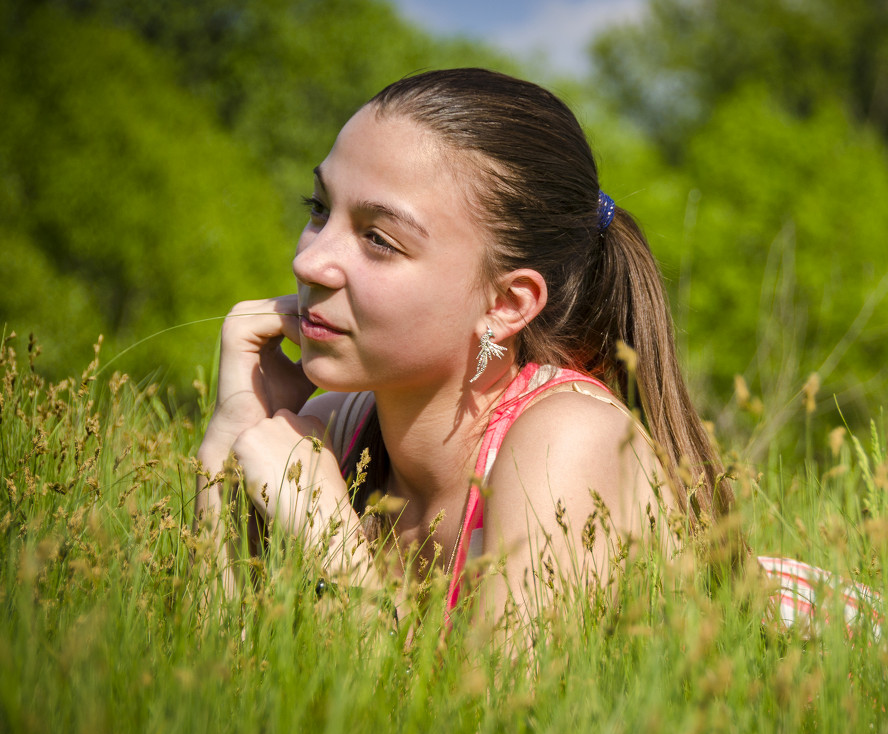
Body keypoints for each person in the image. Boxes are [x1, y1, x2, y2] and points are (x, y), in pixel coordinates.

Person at [194, 68, 731, 631]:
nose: (308, 262)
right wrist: (231, 433)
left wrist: (331, 544)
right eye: (319, 207)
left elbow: (492, 719)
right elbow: (210, 670)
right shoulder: (332, 434)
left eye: (379, 239)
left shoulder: (569, 442)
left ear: (505, 303)